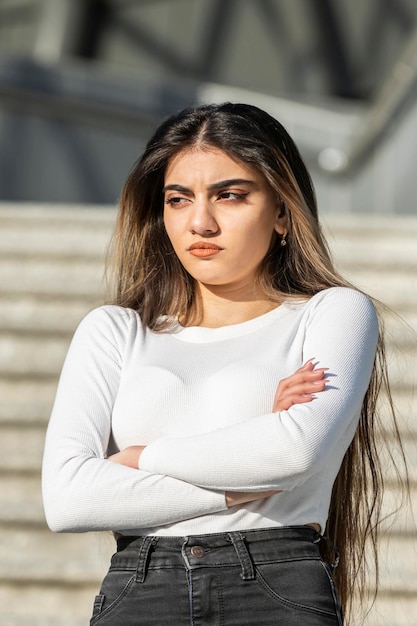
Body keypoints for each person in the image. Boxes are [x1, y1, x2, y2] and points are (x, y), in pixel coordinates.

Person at [42, 102, 405, 626]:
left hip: (276, 584)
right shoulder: (114, 330)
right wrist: (246, 475)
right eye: (178, 199)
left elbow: (296, 452)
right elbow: (69, 500)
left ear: (282, 211)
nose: (201, 222)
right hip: (140, 588)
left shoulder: (333, 313)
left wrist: (140, 458)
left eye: (230, 195)